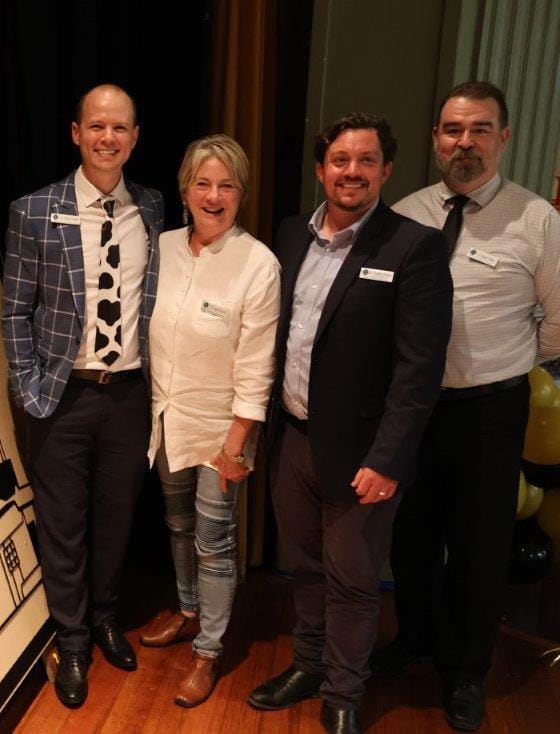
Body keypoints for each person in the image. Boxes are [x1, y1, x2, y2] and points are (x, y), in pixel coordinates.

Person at [246, 113, 453, 734]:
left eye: (366, 161)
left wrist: (389, 459)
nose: (352, 172)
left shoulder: (412, 246)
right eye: (340, 160)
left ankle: (342, 692)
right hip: (294, 440)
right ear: (320, 169)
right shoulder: (289, 235)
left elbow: (419, 372)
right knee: (303, 568)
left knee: (355, 581)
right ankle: (308, 664)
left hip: (365, 455)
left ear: (386, 170)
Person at [376, 81, 560, 731]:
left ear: (504, 138)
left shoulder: (537, 219)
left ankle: (466, 671)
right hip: (416, 411)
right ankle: (416, 639)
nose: (465, 141)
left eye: (480, 129)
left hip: (491, 410)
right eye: (453, 129)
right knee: (412, 534)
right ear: (435, 139)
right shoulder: (405, 214)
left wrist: (500, 361)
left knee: (480, 546)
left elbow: (558, 325)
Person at [1, 83, 164, 708]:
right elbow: (14, 311)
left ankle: (103, 616)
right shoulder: (33, 210)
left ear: (134, 137)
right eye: (97, 127)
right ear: (76, 133)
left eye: (120, 128)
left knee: (117, 517)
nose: (108, 138)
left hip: (128, 395)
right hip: (61, 397)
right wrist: (29, 389)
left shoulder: (152, 208)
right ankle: (71, 639)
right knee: (63, 525)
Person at [137, 133, 279, 708]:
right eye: (203, 183)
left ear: (241, 193)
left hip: (224, 430)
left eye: (226, 185)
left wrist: (236, 445)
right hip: (167, 418)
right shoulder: (163, 247)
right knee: (177, 526)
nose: (213, 196)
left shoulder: (258, 263)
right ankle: (189, 611)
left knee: (215, 541)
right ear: (185, 190)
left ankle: (209, 652)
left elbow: (257, 363)